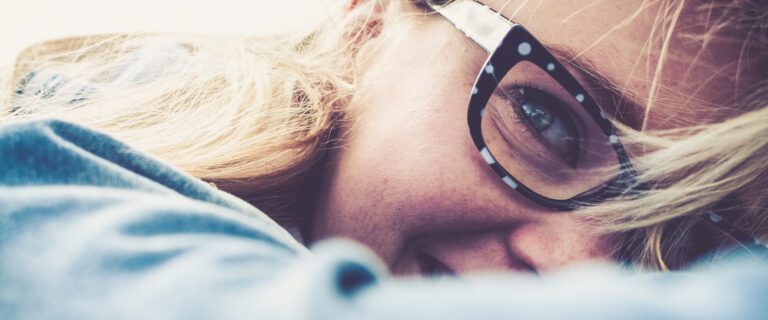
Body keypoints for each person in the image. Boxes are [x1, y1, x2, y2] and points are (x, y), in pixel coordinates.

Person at [0, 0, 766, 318]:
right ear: (370, 20)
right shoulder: (73, 191)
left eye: (697, 238)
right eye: (546, 121)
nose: (579, 269)